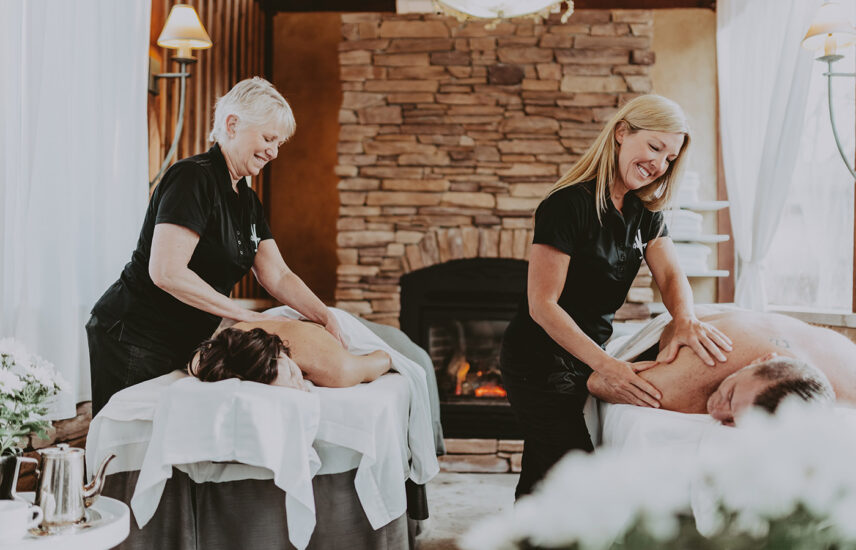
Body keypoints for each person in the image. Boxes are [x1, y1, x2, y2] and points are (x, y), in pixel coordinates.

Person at [499, 94, 733, 499]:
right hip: (537, 361)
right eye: (654, 147)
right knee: (576, 475)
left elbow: (671, 275)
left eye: (669, 157)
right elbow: (543, 305)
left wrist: (685, 320)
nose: (659, 164)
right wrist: (608, 367)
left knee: (545, 470)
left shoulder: (645, 211)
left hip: (588, 353)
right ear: (622, 132)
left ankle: (528, 529)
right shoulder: (566, 204)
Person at [86, 77, 343, 416]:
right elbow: (167, 272)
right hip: (133, 335)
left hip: (181, 340)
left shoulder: (248, 201)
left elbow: (278, 275)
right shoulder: (192, 178)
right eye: (268, 139)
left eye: (279, 143)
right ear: (232, 125)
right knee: (129, 437)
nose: (274, 152)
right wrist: (243, 316)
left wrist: (325, 316)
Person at [587, 308, 856, 425]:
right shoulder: (688, 379)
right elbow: (596, 381)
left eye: (732, 420)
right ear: (761, 360)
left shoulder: (848, 373)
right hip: (687, 322)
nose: (716, 411)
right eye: (729, 395)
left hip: (751, 320)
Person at [188, 319, 392, 389]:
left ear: (281, 353)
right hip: (280, 318)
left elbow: (385, 358)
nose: (300, 388)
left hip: (347, 326)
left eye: (294, 375)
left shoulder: (338, 369)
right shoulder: (227, 351)